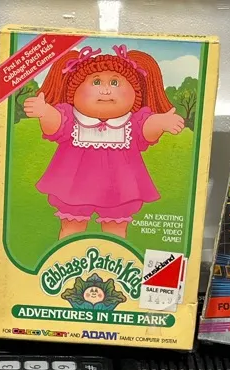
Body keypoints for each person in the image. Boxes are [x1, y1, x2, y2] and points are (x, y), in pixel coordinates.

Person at [23, 44, 186, 238]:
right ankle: (67, 252)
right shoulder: (71, 118)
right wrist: (44, 112)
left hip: (119, 187)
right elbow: (56, 124)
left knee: (116, 229)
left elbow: (147, 130)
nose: (106, 90)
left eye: (115, 83)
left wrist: (161, 122)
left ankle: (116, 253)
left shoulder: (131, 123)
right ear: (74, 92)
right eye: (96, 82)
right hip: (74, 185)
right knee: (72, 226)